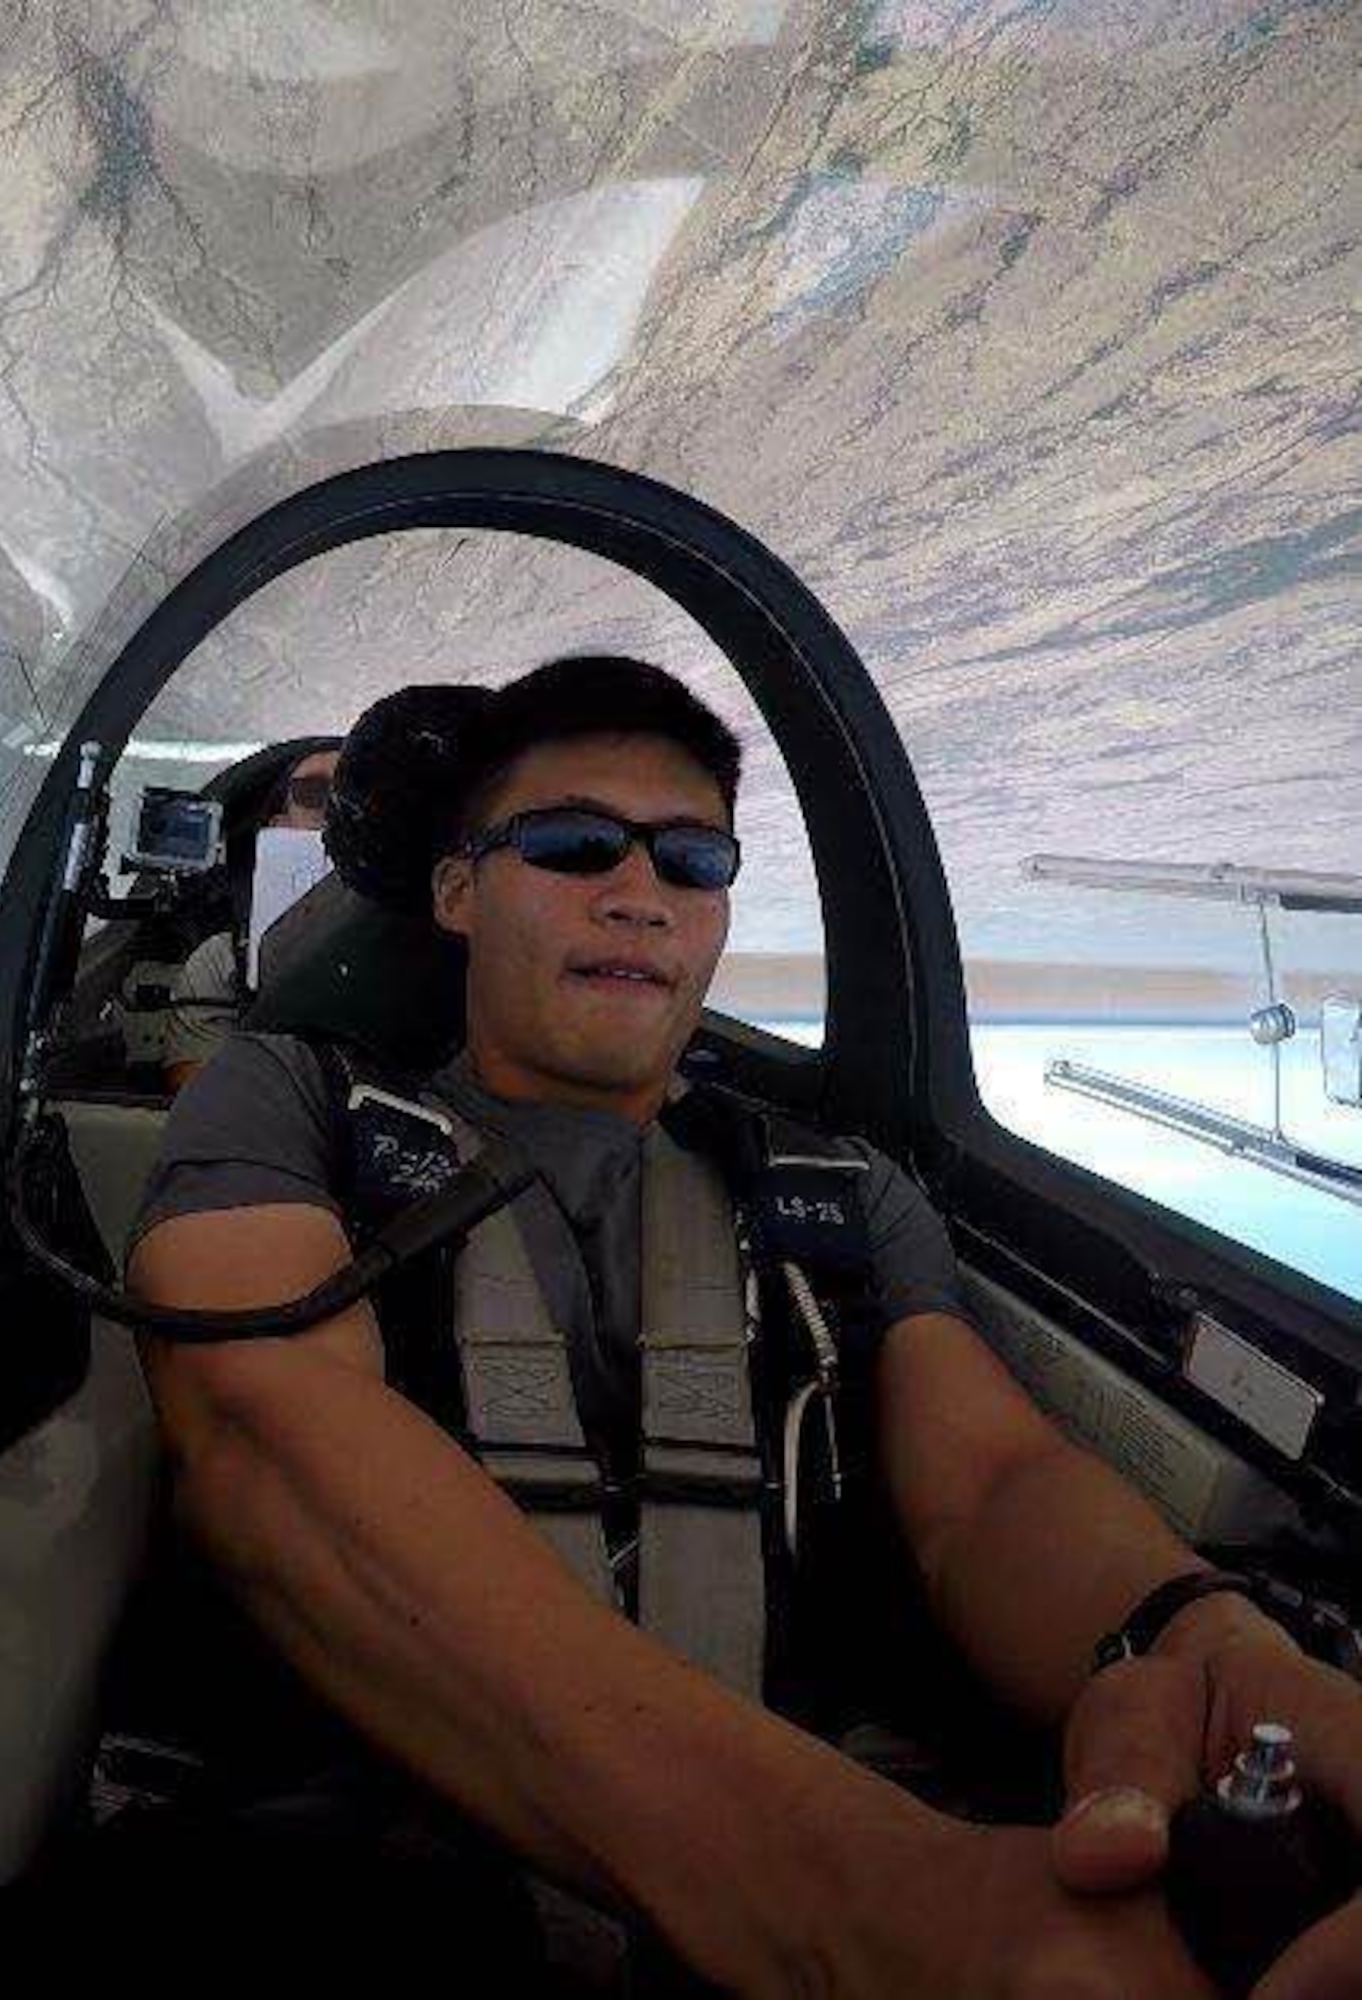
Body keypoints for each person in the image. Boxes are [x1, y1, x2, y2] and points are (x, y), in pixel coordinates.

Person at [125, 657, 1361, 1994]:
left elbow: (992, 1489)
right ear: (456, 890)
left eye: (692, 860)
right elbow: (267, 1436)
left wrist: (1201, 1639)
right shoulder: (293, 1098)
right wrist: (851, 1899)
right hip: (380, 1872)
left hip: (846, 1821)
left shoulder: (837, 1191)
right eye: (570, 842)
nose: (638, 890)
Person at [161, 742, 341, 1093]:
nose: (338, 805)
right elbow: (197, 1091)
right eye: (314, 792)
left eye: (358, 788)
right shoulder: (223, 959)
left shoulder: (448, 942)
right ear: (279, 826)